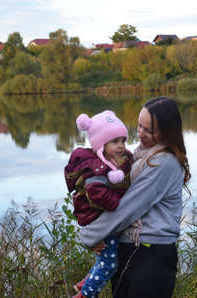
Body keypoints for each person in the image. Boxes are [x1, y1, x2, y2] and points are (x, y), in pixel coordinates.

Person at [79, 97, 191, 298]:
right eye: (139, 126)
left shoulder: (163, 162)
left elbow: (127, 209)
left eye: (149, 130)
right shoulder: (138, 157)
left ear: (167, 131)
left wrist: (89, 235)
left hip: (151, 257)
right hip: (132, 251)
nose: (140, 133)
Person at [64, 110, 133, 298]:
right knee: (110, 264)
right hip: (100, 220)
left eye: (122, 140)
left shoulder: (115, 160)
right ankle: (85, 295)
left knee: (105, 258)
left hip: (104, 219)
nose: (120, 146)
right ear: (101, 144)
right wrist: (117, 204)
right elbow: (96, 192)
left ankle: (85, 283)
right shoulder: (97, 168)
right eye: (114, 141)